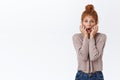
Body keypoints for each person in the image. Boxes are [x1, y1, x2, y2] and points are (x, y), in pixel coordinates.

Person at [72, 4, 107, 80]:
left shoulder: (102, 37)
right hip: (81, 75)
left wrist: (91, 37)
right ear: (82, 23)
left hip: (97, 76)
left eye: (92, 21)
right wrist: (85, 36)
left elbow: (93, 57)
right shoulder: (76, 37)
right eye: (86, 21)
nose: (89, 24)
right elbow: (83, 57)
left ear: (96, 23)